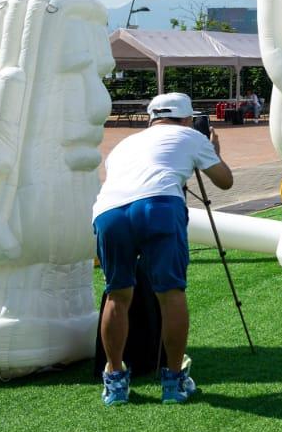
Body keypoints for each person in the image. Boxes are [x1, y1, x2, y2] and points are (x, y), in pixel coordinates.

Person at [93, 92, 234, 406]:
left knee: (117, 294)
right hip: (159, 206)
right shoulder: (190, 136)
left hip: (109, 212)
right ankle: (173, 381)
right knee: (171, 293)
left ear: (151, 118)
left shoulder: (123, 145)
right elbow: (225, 182)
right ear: (187, 119)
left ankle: (115, 381)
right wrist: (213, 152)